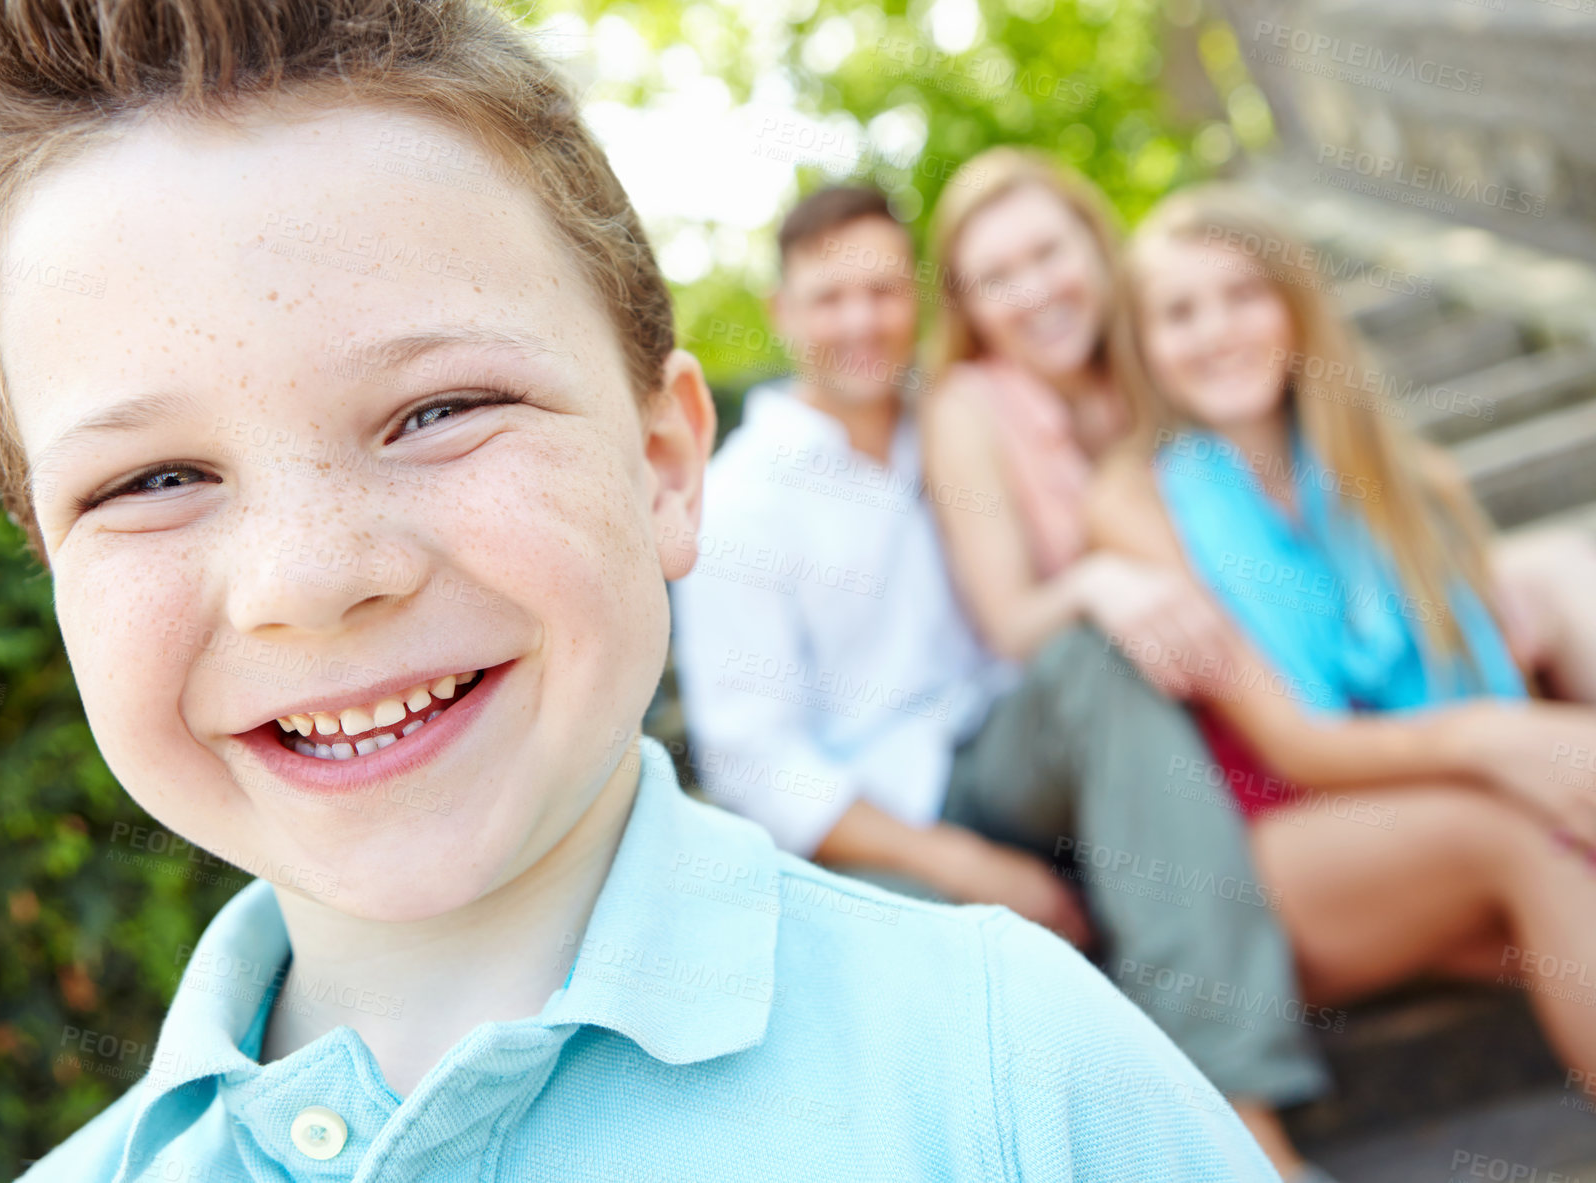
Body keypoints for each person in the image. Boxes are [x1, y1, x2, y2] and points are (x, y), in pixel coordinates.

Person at [0, 0, 1282, 1176]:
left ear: (671, 462)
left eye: (440, 407)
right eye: (149, 479)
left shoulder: (1018, 1070)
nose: (312, 580)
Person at [670, 184, 1330, 1180]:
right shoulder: (744, 501)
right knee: (939, 963)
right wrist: (962, 866)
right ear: (783, 313)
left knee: (1097, 654)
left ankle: (1241, 1111)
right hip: (874, 832)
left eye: (883, 292)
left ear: (918, 302)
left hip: (1004, 755)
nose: (861, 321)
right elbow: (754, 765)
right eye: (829, 297)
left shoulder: (951, 430)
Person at [1090, 182, 1596, 1083]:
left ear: (1294, 307)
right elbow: (1298, 744)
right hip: (1293, 850)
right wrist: (1503, 738)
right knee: (1532, 824)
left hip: (1444, 798)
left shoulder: (1405, 475)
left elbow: (1483, 656)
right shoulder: (1138, 497)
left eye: (1244, 294)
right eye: (1179, 313)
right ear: (1144, 348)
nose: (1217, 331)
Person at [919, 150, 1333, 1179]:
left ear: (1093, 247)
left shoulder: (1161, 364)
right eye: (993, 278)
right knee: (1099, 654)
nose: (1031, 291)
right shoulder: (967, 408)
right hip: (1024, 750)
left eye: (1044, 254)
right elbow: (1013, 621)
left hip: (1183, 746)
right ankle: (1236, 1115)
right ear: (967, 306)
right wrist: (1101, 584)